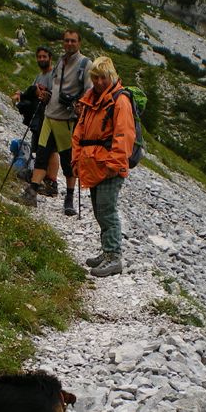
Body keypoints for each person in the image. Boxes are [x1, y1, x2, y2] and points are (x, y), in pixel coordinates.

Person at [72, 56, 136, 277]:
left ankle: (114, 256)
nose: (99, 82)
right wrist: (76, 160)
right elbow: (79, 132)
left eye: (102, 77)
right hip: (94, 164)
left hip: (109, 167)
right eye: (95, 77)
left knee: (107, 212)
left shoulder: (120, 101)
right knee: (101, 212)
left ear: (111, 76)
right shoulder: (90, 101)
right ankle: (107, 251)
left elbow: (123, 135)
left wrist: (114, 165)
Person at [18, 30, 92, 215]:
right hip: (49, 117)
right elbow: (55, 85)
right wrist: (45, 95)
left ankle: (69, 198)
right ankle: (32, 190)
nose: (69, 44)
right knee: (42, 154)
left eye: (73, 41)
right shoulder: (60, 61)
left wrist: (80, 106)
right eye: (66, 40)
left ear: (79, 43)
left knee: (68, 162)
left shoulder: (85, 64)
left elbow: (89, 91)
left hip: (66, 120)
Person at [11, 47, 60, 191]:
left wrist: (44, 94)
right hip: (39, 117)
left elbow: (56, 93)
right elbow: (32, 91)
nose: (41, 59)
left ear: (50, 58)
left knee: (51, 149)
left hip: (51, 117)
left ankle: (52, 182)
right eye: (39, 57)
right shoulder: (39, 76)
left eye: (44, 56)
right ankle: (42, 178)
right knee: (40, 148)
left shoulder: (54, 75)